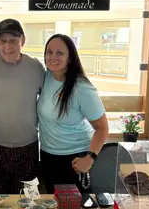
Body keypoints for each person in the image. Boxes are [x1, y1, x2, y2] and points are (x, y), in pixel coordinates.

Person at [0, 18, 45, 194]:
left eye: (13, 40)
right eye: (3, 41)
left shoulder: (36, 68)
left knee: (29, 200)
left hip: (28, 147)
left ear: (22, 40)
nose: (8, 46)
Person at [37, 34, 109, 194]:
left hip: (74, 160)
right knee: (52, 208)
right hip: (48, 156)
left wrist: (90, 158)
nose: (53, 57)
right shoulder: (45, 77)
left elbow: (102, 128)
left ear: (70, 58)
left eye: (60, 53)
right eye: (49, 52)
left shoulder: (82, 88)